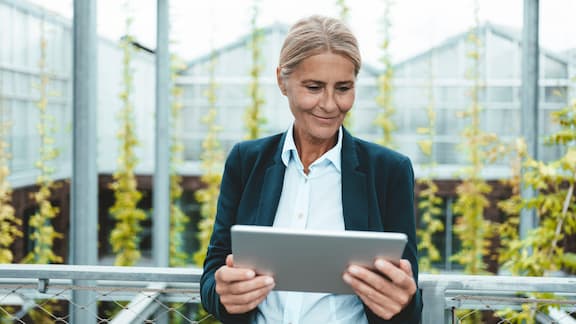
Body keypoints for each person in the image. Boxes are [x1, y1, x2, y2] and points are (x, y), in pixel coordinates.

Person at [200, 15, 422, 323]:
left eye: (343, 88)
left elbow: (408, 300)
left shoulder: (389, 171)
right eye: (314, 87)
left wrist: (403, 302)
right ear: (282, 80)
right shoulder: (246, 162)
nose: (330, 104)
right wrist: (223, 293)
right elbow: (212, 277)